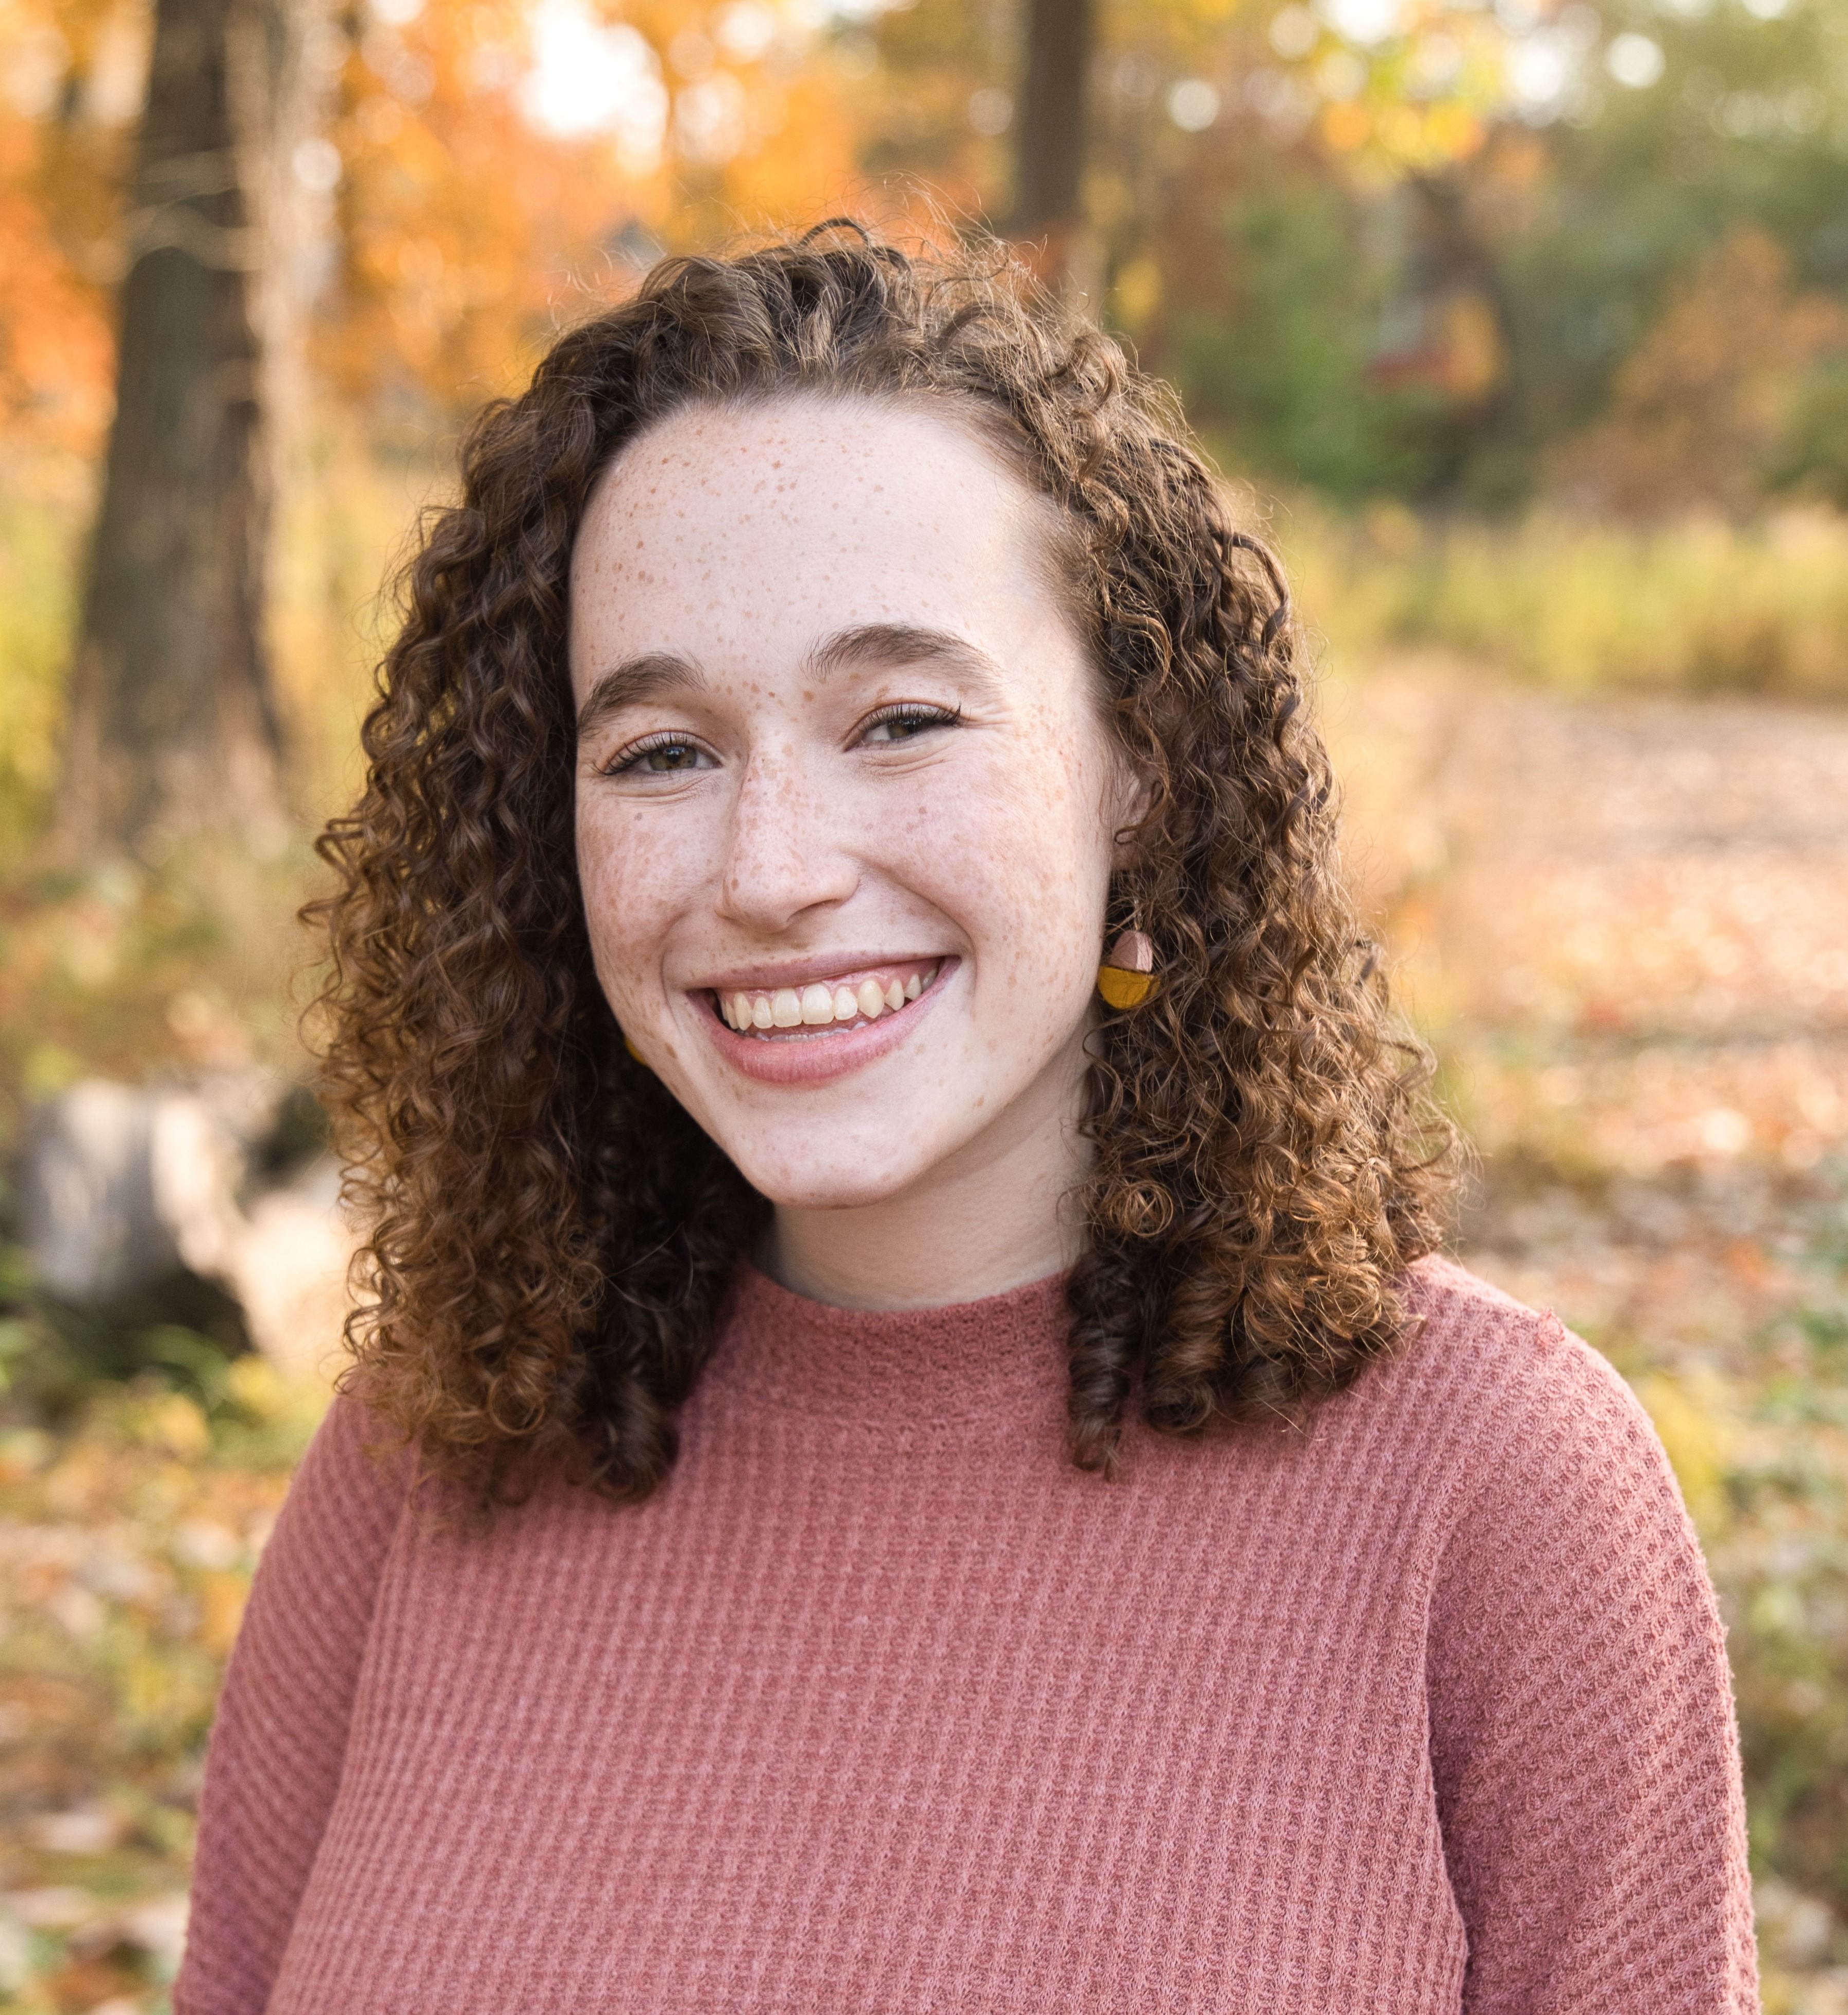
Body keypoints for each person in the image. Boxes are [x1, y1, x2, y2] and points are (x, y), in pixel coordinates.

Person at [173, 226, 1756, 2014]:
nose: (769, 870)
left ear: (1137, 765)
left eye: (901, 720)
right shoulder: (425, 1453)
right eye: (661, 751)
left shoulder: (1492, 1492)